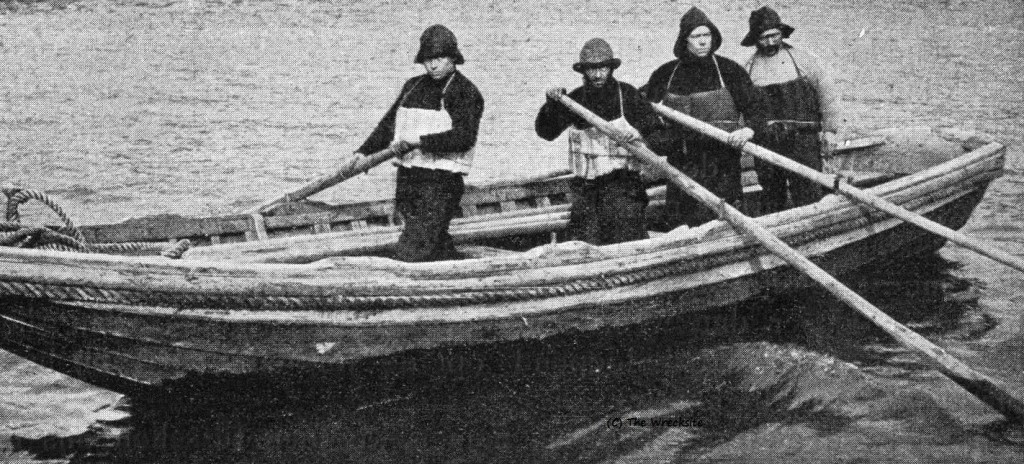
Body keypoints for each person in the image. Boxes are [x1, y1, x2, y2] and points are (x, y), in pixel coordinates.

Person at [354, 25, 484, 262]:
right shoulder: (412, 87)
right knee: (431, 241)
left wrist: (420, 142)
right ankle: (452, 276)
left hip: (441, 184)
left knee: (415, 247)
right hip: (409, 180)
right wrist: (363, 152)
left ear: (453, 58)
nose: (433, 65)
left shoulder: (465, 92)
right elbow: (388, 126)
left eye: (439, 58)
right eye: (427, 60)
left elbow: (464, 138)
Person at [642, 7, 767, 228]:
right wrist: (661, 139)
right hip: (682, 163)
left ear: (713, 37)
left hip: (722, 163)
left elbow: (756, 109)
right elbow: (641, 110)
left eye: (706, 35)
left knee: (723, 221)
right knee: (681, 223)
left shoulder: (730, 71)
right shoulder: (666, 74)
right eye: (696, 36)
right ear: (685, 40)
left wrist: (748, 130)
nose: (702, 42)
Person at [535, 38, 663, 245]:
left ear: (611, 68)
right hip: (586, 191)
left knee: (627, 239)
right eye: (591, 69)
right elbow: (546, 133)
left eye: (602, 68)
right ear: (583, 71)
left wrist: (640, 136)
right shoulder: (574, 100)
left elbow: (660, 136)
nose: (597, 74)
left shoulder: (628, 95)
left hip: (624, 187)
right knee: (585, 242)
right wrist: (552, 104)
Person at [742, 6, 843, 213]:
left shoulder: (803, 60)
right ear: (755, 39)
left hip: (803, 141)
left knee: (809, 189)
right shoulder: (748, 69)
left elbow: (828, 96)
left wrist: (831, 132)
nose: (770, 42)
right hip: (766, 143)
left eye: (774, 36)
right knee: (771, 193)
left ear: (781, 33)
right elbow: (743, 108)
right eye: (764, 38)